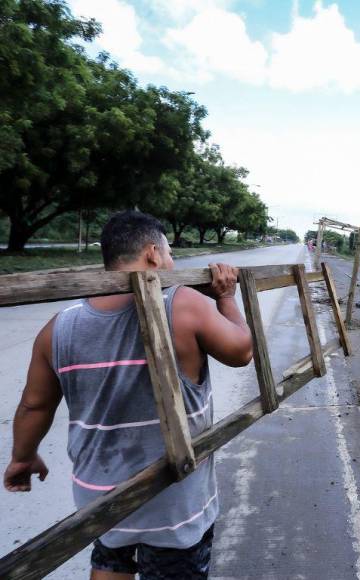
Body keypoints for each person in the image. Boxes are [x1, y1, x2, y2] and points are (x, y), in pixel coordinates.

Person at [3, 211, 254, 579]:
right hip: (173, 497)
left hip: (99, 497)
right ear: (153, 254)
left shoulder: (59, 326)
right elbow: (242, 352)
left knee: (110, 559)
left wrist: (22, 458)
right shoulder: (181, 303)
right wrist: (227, 298)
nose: (172, 263)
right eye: (169, 254)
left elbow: (34, 404)